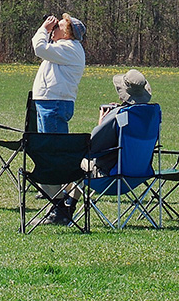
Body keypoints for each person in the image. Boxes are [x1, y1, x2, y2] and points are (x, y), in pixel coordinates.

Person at [39, 69, 153, 226]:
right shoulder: (151, 115)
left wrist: (103, 120)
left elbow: (93, 145)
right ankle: (66, 207)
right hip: (140, 175)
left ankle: (65, 209)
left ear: (123, 93)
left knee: (79, 162)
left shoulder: (117, 115)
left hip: (112, 177)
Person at [30, 12, 86, 224]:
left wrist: (43, 29)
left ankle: (60, 209)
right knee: (51, 153)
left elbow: (39, 47)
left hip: (53, 105)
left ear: (68, 33)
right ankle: (58, 206)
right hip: (51, 103)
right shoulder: (65, 49)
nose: (54, 28)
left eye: (59, 26)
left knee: (54, 155)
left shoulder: (69, 48)